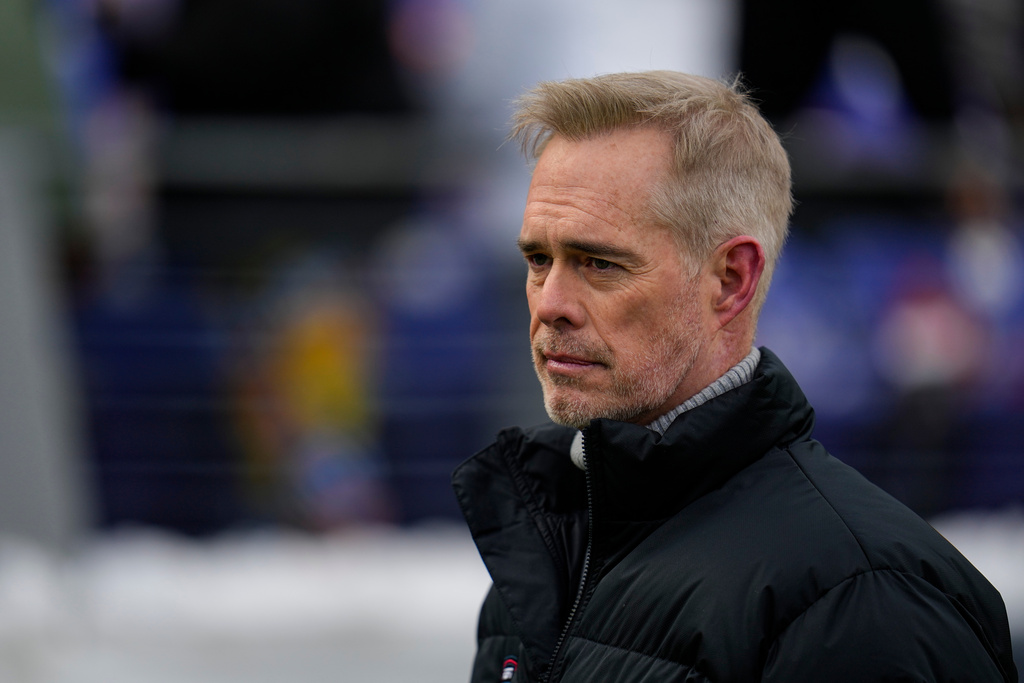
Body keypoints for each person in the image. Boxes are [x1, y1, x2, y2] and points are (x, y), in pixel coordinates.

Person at [451, 71, 1017, 682]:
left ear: (731, 280)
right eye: (538, 259)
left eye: (599, 262)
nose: (549, 302)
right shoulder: (546, 553)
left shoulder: (862, 598)